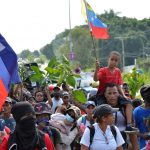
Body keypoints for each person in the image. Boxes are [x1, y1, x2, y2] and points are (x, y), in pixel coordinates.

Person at [101, 83, 138, 149]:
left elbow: (132, 131)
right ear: (105, 94)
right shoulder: (100, 109)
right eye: (109, 93)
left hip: (123, 140)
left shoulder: (125, 108)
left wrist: (135, 148)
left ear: (118, 93)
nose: (112, 96)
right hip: (105, 142)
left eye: (114, 93)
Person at [133, 85, 150, 149]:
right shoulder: (137, 111)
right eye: (147, 93)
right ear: (143, 97)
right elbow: (133, 129)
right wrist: (141, 135)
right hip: (143, 145)